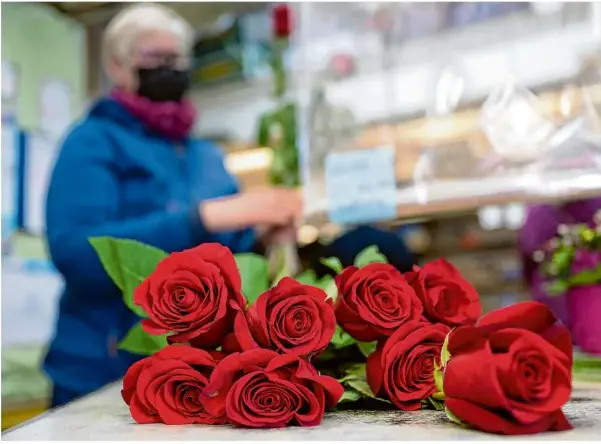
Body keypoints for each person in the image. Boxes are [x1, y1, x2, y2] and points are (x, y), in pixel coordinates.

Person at [44, 4, 301, 408]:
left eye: (177, 59)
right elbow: (77, 253)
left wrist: (266, 235)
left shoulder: (207, 156)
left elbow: (233, 254)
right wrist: (202, 219)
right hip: (102, 371)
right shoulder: (92, 141)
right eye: (154, 59)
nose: (170, 68)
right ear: (117, 65)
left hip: (195, 376)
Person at [519, 198, 601, 329]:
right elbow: (530, 252)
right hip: (556, 298)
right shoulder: (540, 211)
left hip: (556, 298)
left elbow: (528, 253)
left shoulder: (539, 209)